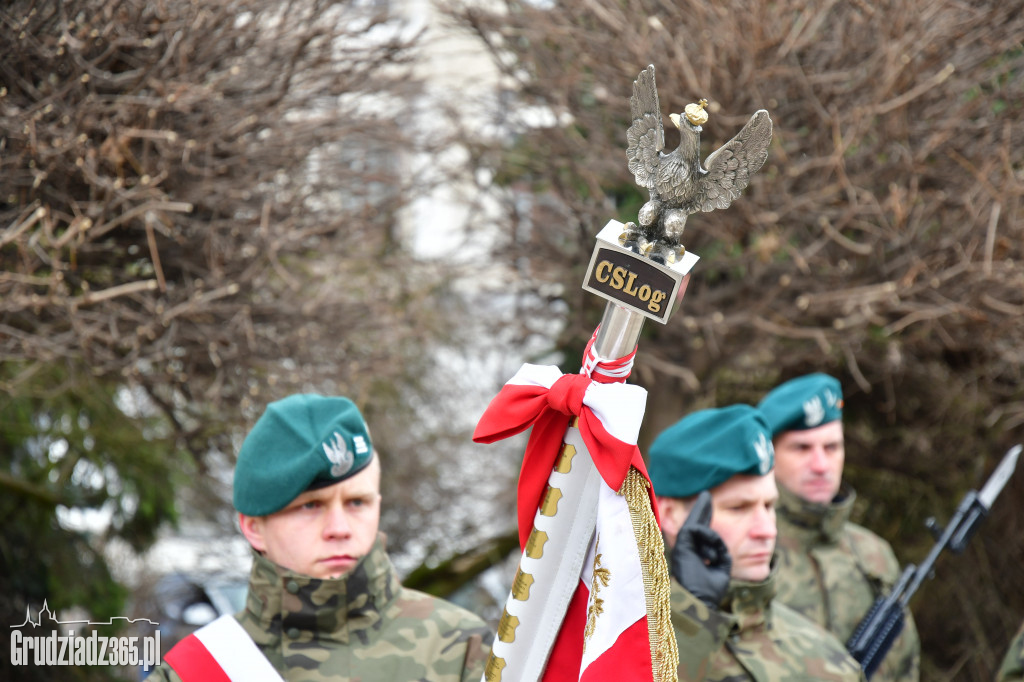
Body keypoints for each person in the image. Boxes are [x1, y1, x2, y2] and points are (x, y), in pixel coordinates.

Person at [147, 393, 493, 681]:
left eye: (357, 502)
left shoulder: (464, 649)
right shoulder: (193, 672)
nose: (340, 528)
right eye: (311, 506)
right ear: (254, 527)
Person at [648, 404, 866, 681]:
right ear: (669, 514)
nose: (766, 531)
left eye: (769, 505)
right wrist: (692, 618)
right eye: (738, 508)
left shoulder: (827, 660)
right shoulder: (611, 632)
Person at [757, 373, 920, 681]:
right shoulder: (747, 549)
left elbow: (905, 666)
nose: (820, 465)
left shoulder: (873, 555)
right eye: (802, 448)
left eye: (831, 447)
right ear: (770, 454)